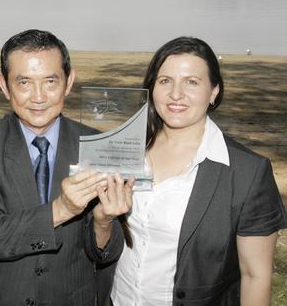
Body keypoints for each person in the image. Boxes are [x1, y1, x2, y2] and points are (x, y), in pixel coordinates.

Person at [0, 29, 134, 306]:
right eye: (24, 83)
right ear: (4, 85)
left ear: (69, 81)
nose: (38, 97)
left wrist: (104, 221)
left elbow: (106, 254)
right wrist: (62, 209)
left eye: (50, 81)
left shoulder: (96, 145)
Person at [110, 37, 287, 305]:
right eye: (165, 80)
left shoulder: (247, 173)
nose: (176, 94)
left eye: (191, 82)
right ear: (152, 87)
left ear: (214, 91)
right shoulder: (123, 151)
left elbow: (255, 276)